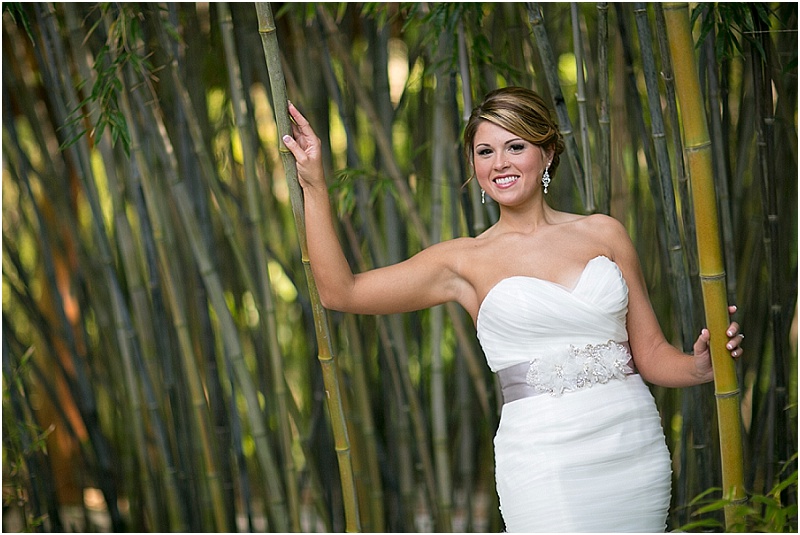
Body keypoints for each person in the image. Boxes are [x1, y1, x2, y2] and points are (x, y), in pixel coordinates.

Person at [282, 86, 744, 532]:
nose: (499, 163)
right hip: (543, 457)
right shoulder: (463, 261)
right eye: (485, 152)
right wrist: (316, 186)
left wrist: (700, 367)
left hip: (631, 443)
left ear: (547, 153)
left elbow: (651, 354)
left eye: (515, 146)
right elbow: (340, 292)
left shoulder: (605, 233)